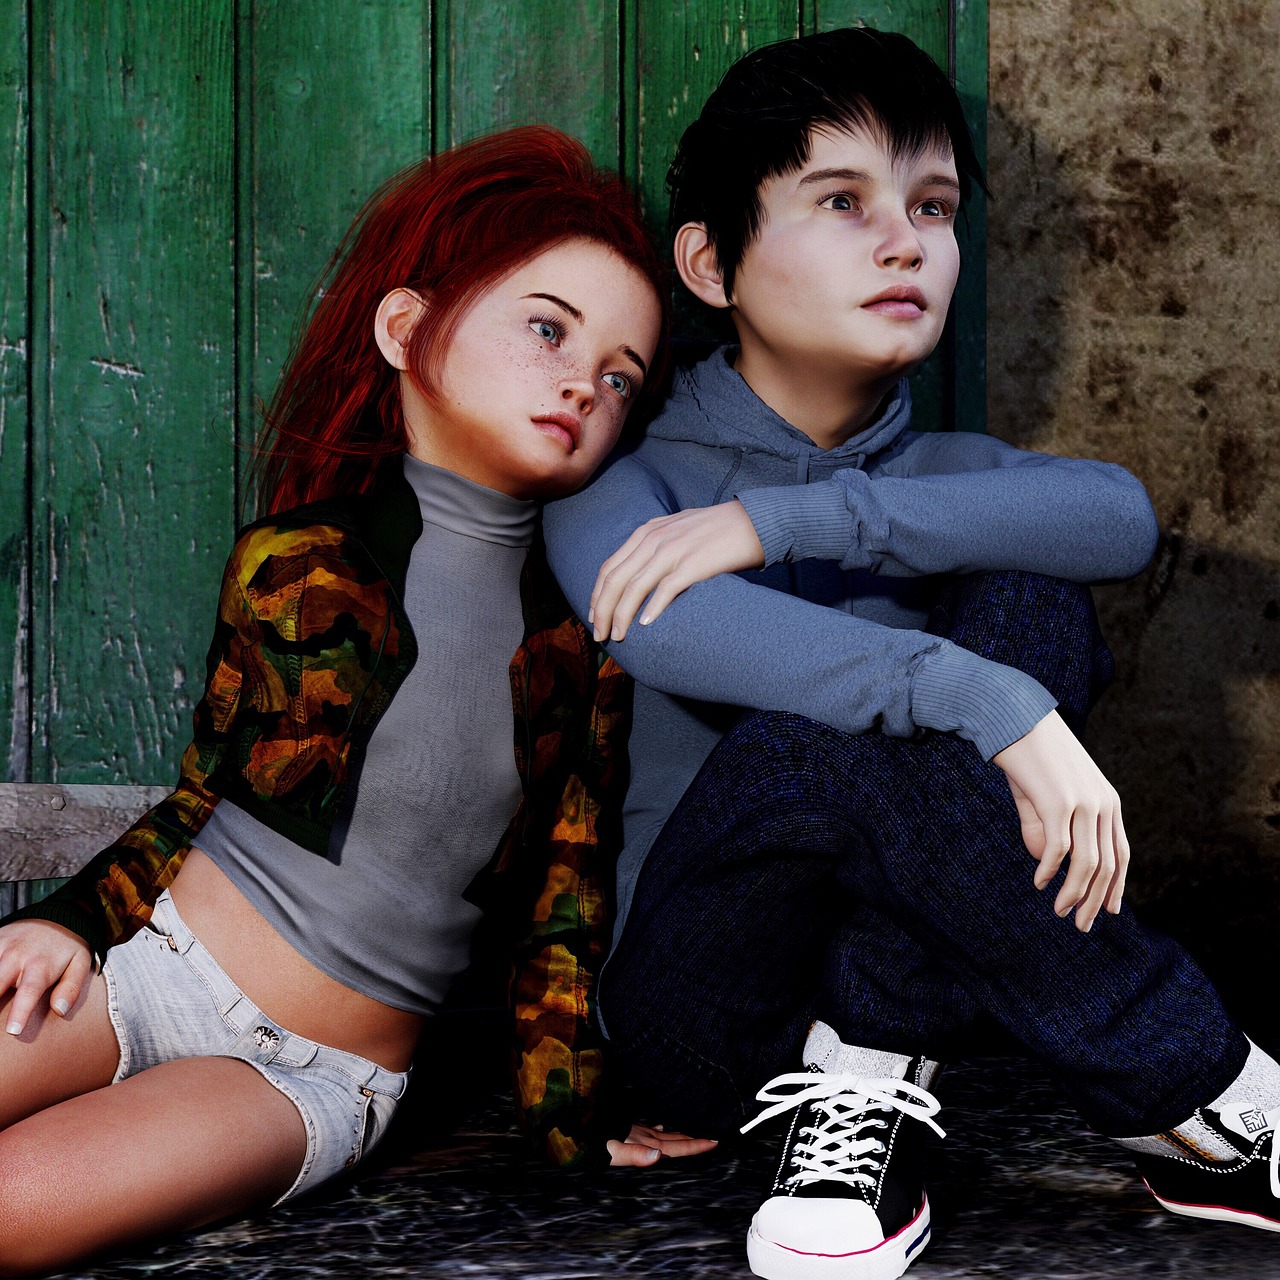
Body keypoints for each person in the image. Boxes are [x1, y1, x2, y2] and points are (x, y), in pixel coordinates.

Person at [543, 27, 1280, 1280]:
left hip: (913, 983)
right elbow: (666, 621)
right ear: (710, 263)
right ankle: (1204, 1086)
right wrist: (987, 699)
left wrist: (795, 520)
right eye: (842, 202)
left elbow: (1115, 517)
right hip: (705, 1005)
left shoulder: (945, 474)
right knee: (809, 738)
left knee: (1032, 586)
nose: (905, 243)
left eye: (931, 207)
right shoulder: (625, 477)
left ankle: (869, 1073)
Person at [0, 125, 714, 1278]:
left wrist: (571, 1123)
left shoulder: (579, 646)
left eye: (621, 374)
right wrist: (69, 920)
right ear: (403, 328)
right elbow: (201, 794)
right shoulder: (296, 564)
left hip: (309, 1075)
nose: (585, 381)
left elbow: (563, 908)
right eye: (547, 328)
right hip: (141, 961)